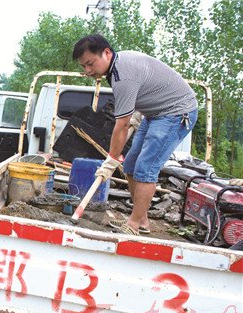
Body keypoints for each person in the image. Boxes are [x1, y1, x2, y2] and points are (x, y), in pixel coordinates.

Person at [72, 34, 198, 235]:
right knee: (130, 165)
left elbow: (121, 125)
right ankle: (143, 221)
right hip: (154, 113)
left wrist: (111, 160)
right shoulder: (117, 67)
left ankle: (132, 226)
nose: (87, 70)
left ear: (106, 53)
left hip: (176, 112)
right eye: (84, 66)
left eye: (90, 64)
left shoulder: (122, 75)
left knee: (146, 168)